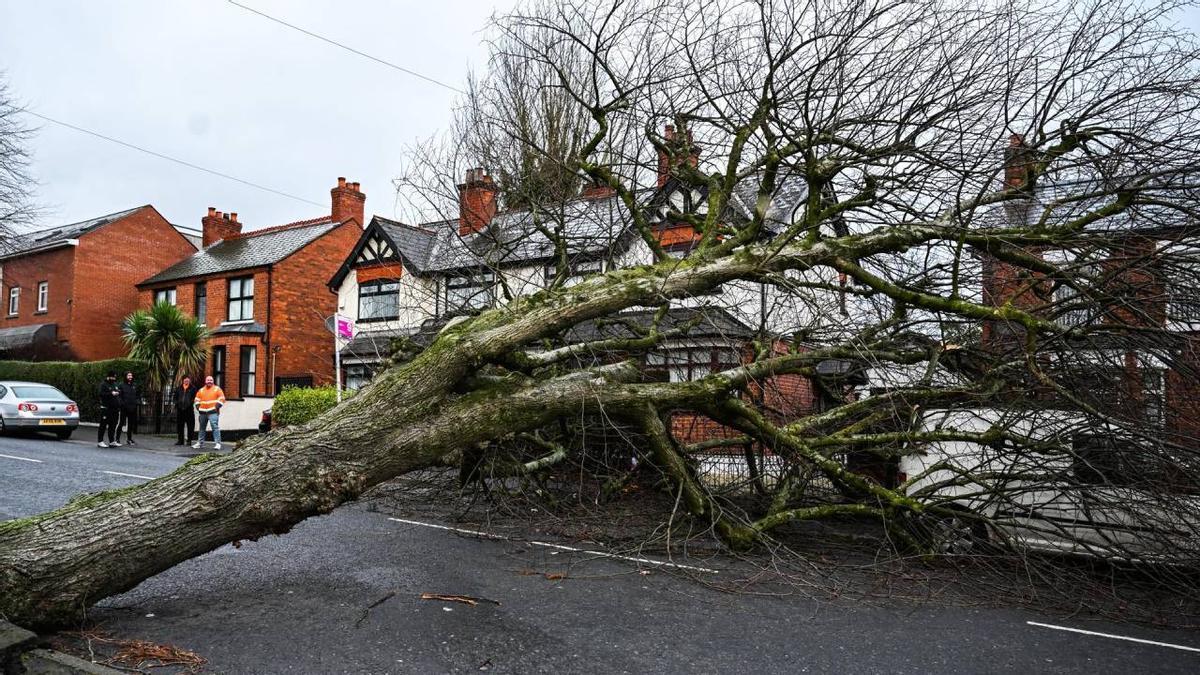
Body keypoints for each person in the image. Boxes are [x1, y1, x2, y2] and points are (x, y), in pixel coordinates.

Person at [193, 375, 226, 451]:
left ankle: (218, 444)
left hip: (213, 412)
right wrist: (198, 408)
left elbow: (222, 398)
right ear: (205, 381)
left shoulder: (217, 389)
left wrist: (216, 407)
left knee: (215, 427)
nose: (209, 381)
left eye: (211, 380)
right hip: (203, 412)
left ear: (213, 381)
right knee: (202, 428)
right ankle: (200, 443)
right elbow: (196, 400)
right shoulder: (201, 390)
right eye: (208, 380)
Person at [97, 371, 122, 448]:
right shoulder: (103, 385)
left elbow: (117, 391)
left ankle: (112, 441)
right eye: (112, 377)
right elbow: (101, 394)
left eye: (115, 377)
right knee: (103, 425)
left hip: (114, 409)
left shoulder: (115, 384)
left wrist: (118, 392)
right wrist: (111, 393)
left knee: (113, 425)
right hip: (106, 409)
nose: (114, 378)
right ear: (108, 377)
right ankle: (100, 441)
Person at [117, 371, 140, 445]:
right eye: (128, 375)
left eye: (131, 375)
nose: (130, 377)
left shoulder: (134, 385)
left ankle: (129, 439)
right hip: (124, 408)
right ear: (125, 376)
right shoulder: (121, 385)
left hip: (132, 407)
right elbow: (119, 396)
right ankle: (117, 439)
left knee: (131, 424)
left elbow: (137, 395)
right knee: (121, 423)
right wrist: (122, 404)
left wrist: (137, 402)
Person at [174, 376, 198, 446]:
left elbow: (195, 398)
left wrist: (190, 403)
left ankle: (189, 441)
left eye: (187, 380)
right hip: (180, 410)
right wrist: (177, 403)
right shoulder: (178, 388)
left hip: (189, 409)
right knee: (180, 426)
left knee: (190, 426)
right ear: (182, 381)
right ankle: (180, 440)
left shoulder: (193, 388)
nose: (186, 381)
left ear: (189, 381)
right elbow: (175, 397)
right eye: (185, 380)